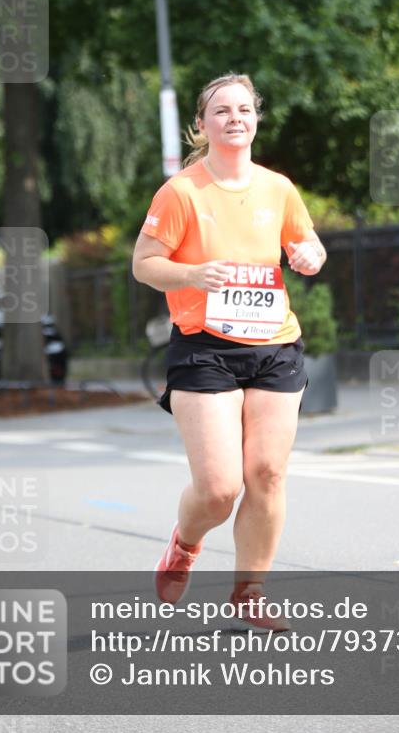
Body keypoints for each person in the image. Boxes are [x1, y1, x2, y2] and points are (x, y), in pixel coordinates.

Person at [132, 73, 327, 630]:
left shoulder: (278, 188)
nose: (235, 117)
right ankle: (184, 545)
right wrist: (192, 272)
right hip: (204, 347)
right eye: (221, 110)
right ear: (202, 124)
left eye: (244, 108)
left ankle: (250, 594)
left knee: (266, 473)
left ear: (257, 119)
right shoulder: (182, 192)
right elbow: (144, 264)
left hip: (273, 343)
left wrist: (311, 255)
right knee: (220, 489)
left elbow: (304, 242)